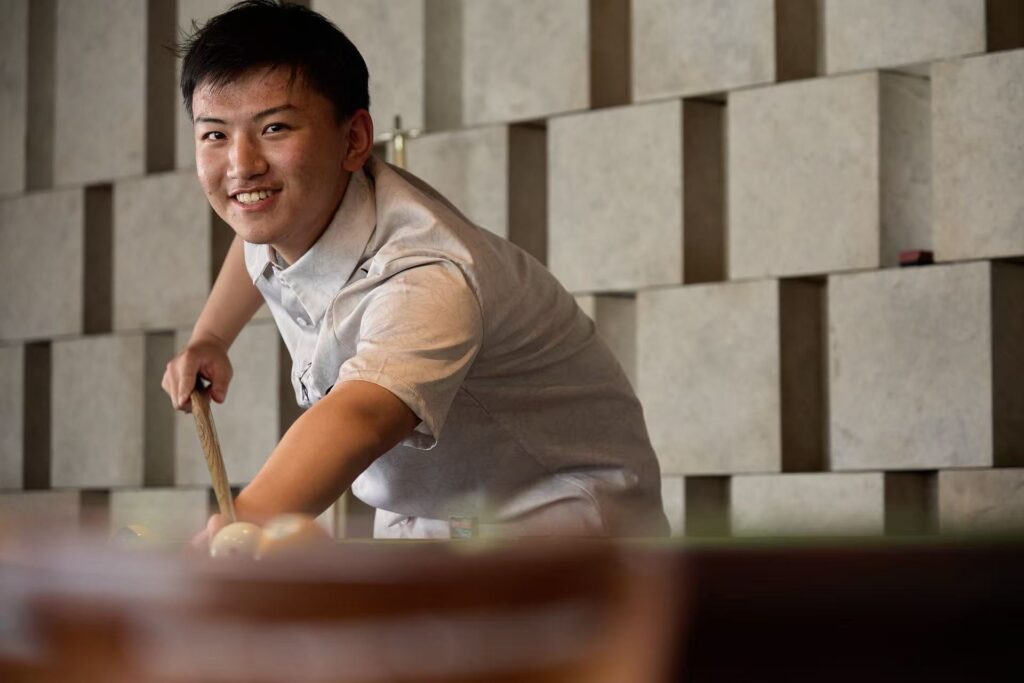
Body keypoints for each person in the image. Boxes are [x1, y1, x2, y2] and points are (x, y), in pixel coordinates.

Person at [163, 0, 669, 541]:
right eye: (215, 134)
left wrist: (239, 530)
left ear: (354, 139)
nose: (242, 166)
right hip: (437, 517)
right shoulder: (289, 210)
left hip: (558, 527)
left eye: (275, 128)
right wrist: (211, 337)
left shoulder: (426, 275)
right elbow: (252, 240)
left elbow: (360, 416)